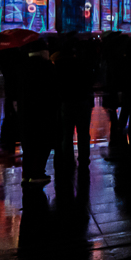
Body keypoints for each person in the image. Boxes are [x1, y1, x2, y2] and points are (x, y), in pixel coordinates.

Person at [18, 41, 60, 184]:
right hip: (43, 111)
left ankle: (27, 173)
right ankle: (37, 173)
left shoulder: (22, 66)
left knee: (28, 145)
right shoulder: (47, 67)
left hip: (25, 112)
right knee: (43, 143)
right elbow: (54, 90)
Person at [53, 38, 95, 175]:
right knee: (83, 132)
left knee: (67, 132)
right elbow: (90, 81)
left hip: (66, 101)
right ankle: (84, 158)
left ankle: (68, 157)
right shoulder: (82, 63)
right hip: (82, 100)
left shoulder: (58, 65)